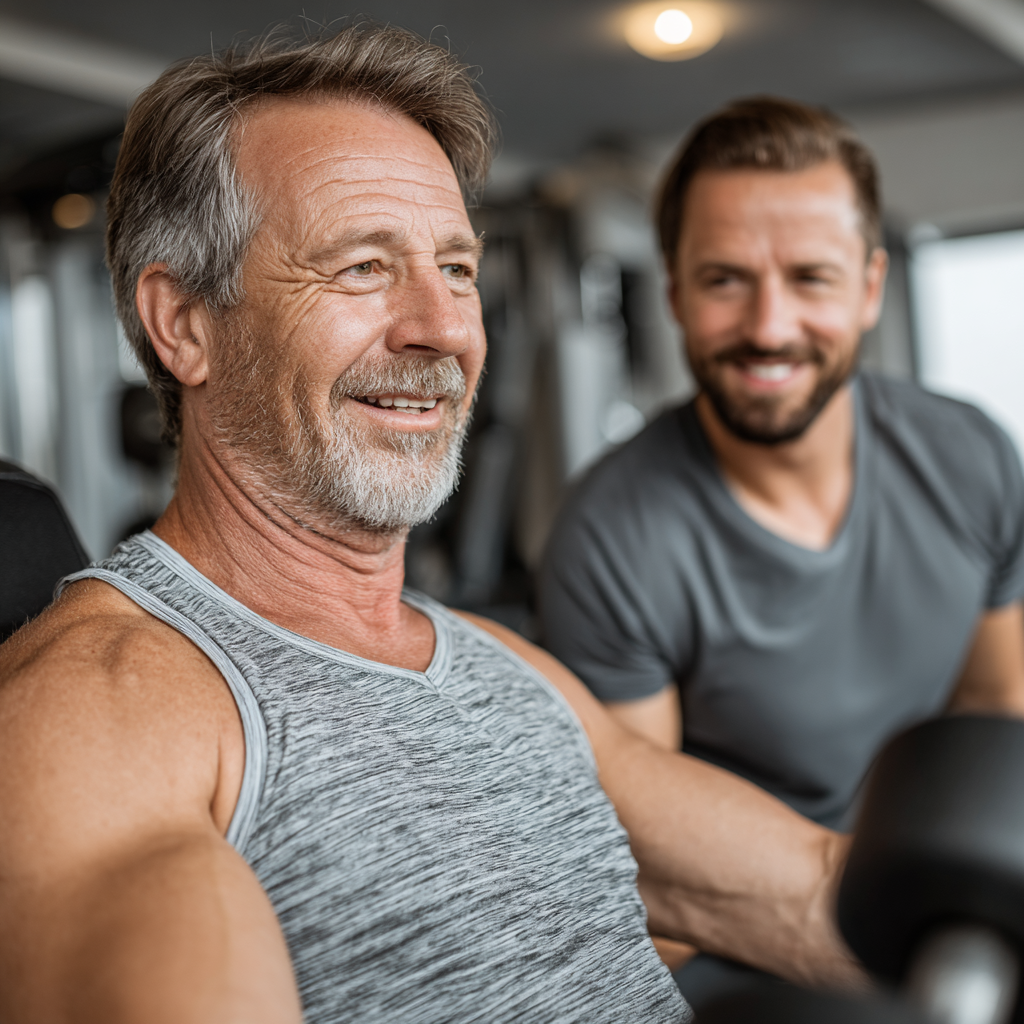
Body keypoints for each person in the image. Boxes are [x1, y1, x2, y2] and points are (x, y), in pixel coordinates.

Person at [0, 33, 864, 1024]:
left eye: (455, 268)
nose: (444, 328)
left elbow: (807, 891)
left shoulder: (500, 667)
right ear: (183, 322)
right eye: (363, 266)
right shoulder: (105, 718)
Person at [539, 97, 1024, 999]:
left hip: (937, 897)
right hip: (743, 957)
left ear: (871, 286)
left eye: (810, 278)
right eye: (725, 280)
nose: (768, 327)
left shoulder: (970, 455)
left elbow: (997, 710)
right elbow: (652, 877)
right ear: (675, 292)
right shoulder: (610, 536)